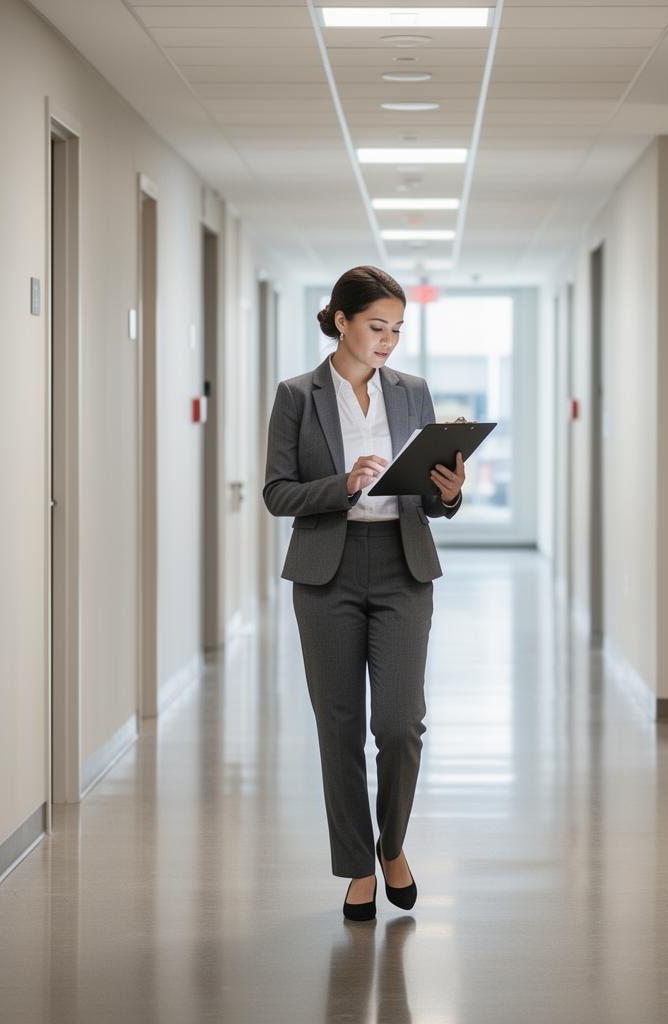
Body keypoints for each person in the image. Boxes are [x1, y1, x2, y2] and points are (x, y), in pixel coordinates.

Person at [262, 266, 465, 921]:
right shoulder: (298, 395)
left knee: (400, 724)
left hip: (404, 567)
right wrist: (343, 485)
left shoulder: (412, 392)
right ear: (341, 320)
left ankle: (394, 844)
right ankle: (357, 866)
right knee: (340, 727)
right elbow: (277, 492)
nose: (387, 340)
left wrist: (448, 493)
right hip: (329, 570)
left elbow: (428, 497)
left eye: (397, 329)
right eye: (376, 326)